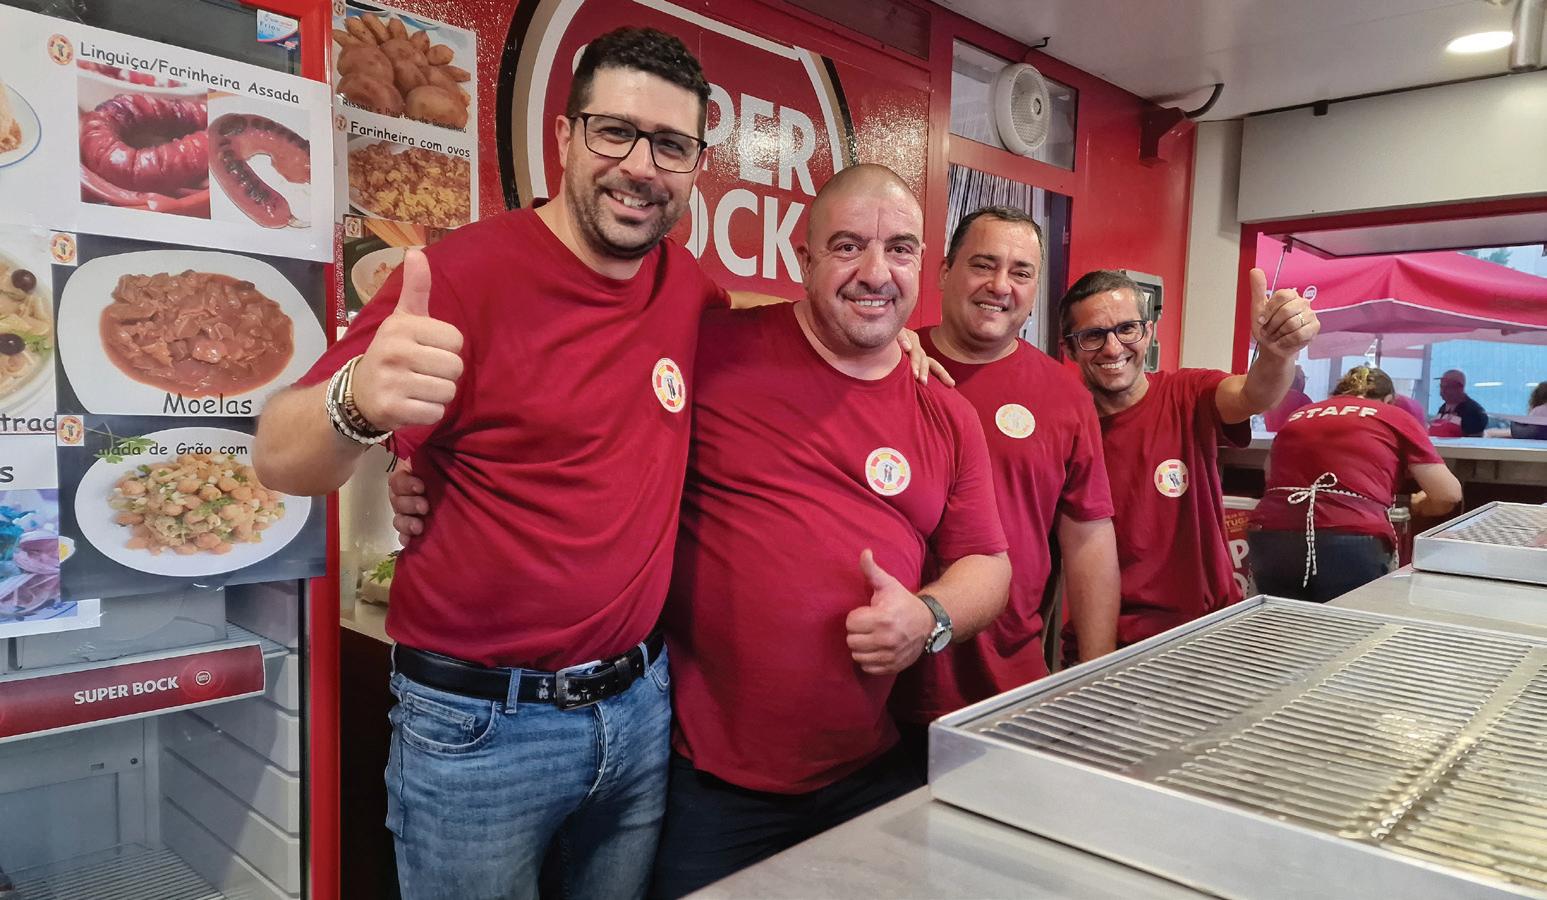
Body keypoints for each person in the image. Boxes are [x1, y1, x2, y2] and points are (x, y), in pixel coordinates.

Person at [256, 28, 731, 900]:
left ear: (695, 165)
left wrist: (903, 347)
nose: (641, 166)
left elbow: (777, 335)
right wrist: (358, 399)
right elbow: (281, 458)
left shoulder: (688, 287)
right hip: (479, 730)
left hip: (639, 709)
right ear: (564, 136)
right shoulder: (456, 277)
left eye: (671, 145)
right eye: (614, 132)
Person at [648, 165, 1011, 897]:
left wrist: (929, 617)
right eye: (847, 246)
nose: (875, 273)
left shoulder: (945, 413)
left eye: (899, 249)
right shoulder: (714, 349)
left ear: (922, 264)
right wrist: (423, 461)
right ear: (803, 257)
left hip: (867, 771)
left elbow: (987, 562)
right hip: (708, 780)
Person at [888, 206, 1119, 762]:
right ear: (944, 271)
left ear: (1035, 290)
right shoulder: (884, 362)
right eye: (983, 265)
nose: (999, 286)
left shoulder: (1066, 398)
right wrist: (890, 340)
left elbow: (1088, 541)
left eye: (1020, 272)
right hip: (881, 682)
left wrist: (1096, 674)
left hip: (1005, 686)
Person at [1057, 268, 1319, 648]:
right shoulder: (1063, 426)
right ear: (1069, 349)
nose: (1113, 348)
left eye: (1127, 329)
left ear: (1148, 332)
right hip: (1109, 640)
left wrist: (1277, 353)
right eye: (1093, 336)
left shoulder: (1187, 394)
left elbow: (1253, 394)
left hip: (1207, 633)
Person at [1248, 366, 1462, 602]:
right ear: (1388, 399)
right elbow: (1448, 494)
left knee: (1281, 622)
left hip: (1271, 534)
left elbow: (1269, 473)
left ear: (1336, 394)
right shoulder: (1393, 415)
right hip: (1351, 537)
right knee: (1350, 623)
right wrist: (1421, 505)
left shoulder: (1300, 414)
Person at [1430, 368, 1487, 437]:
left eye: (1448, 387)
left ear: (1460, 388)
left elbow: (1473, 441)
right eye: (1441, 386)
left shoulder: (1474, 412)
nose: (1443, 390)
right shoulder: (1443, 408)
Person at [1263, 364, 1313, 431]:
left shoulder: (1271, 399)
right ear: (1298, 379)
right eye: (1304, 378)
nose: (1304, 382)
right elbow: (1313, 425)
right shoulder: (1302, 399)